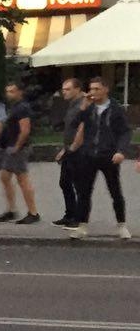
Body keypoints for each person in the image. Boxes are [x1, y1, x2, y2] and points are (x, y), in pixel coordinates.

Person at [68, 76, 132, 240]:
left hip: (109, 155)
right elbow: (73, 124)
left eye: (97, 89)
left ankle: (121, 225)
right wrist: (83, 107)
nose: (93, 92)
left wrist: (121, 151)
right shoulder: (88, 108)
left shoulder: (115, 108)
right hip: (89, 155)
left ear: (105, 89)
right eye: (91, 89)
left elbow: (125, 132)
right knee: (84, 191)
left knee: (115, 191)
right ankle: (82, 226)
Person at [0, 81, 39, 224]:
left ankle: (33, 212)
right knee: (5, 177)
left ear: (20, 92)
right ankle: (11, 210)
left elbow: (25, 130)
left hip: (17, 148)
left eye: (12, 91)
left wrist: (17, 146)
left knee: (22, 179)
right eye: (7, 91)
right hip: (9, 147)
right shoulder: (15, 107)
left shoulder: (23, 108)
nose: (9, 94)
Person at [53, 78, 89, 228]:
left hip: (80, 150)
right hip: (69, 149)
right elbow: (70, 129)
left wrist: (73, 147)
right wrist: (64, 149)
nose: (64, 92)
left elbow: (83, 129)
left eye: (67, 89)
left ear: (78, 89)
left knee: (79, 185)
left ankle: (79, 219)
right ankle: (70, 214)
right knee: (65, 182)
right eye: (63, 89)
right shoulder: (72, 104)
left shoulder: (84, 104)